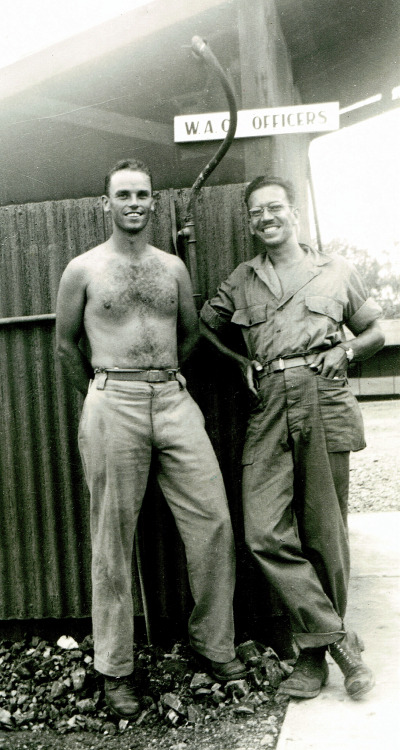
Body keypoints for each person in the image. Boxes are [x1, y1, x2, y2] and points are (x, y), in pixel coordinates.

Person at [55, 158, 245, 719]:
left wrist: (165, 377)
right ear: (106, 203)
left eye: (142, 194)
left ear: (154, 203)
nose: (133, 203)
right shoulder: (83, 269)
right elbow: (66, 346)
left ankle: (214, 645)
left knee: (213, 523)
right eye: (123, 195)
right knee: (112, 540)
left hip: (172, 397)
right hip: (113, 398)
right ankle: (115, 670)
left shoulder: (173, 269)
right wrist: (100, 396)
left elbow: (189, 333)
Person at [200, 175, 385, 701]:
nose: (266, 218)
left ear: (294, 213)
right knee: (262, 531)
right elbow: (204, 329)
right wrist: (238, 363)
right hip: (268, 399)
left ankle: (312, 658)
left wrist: (347, 351)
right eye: (256, 212)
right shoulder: (242, 279)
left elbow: (373, 330)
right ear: (250, 221)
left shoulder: (336, 270)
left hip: (323, 393)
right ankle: (340, 641)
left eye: (274, 208)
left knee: (326, 532)